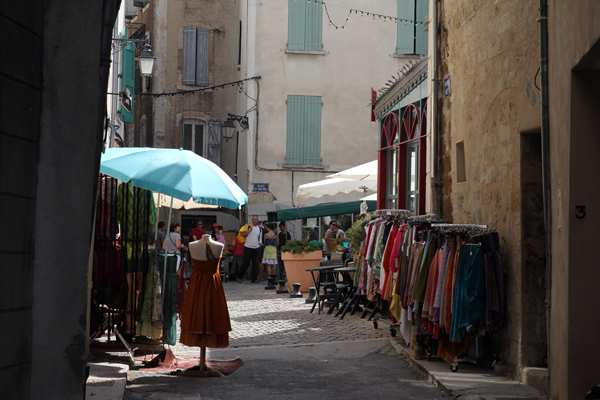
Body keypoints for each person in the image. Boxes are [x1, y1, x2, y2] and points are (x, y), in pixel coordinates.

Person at [234, 215, 263, 283]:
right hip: (248, 247)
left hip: (256, 248)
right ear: (252, 220)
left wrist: (259, 244)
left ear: (257, 220)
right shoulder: (247, 226)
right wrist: (250, 230)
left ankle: (254, 278)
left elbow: (260, 238)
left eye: (256, 219)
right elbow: (242, 234)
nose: (255, 220)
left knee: (255, 263)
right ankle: (239, 277)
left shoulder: (260, 228)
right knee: (245, 263)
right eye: (254, 219)